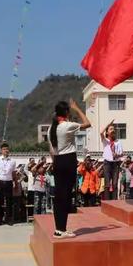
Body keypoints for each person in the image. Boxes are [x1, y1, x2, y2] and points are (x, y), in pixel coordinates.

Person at [49, 99, 91, 238]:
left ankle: (59, 229)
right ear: (66, 112)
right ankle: (61, 229)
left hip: (57, 161)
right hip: (68, 160)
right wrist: (77, 108)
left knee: (59, 197)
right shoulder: (67, 125)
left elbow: (51, 150)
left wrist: (56, 163)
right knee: (66, 196)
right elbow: (88, 123)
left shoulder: (51, 128)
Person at [0, 142, 16, 226]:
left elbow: (13, 173)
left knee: (9, 201)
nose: (6, 151)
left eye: (7, 149)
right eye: (4, 149)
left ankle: (9, 219)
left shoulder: (12, 161)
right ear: (1, 151)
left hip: (8, 181)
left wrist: (14, 182)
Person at [100, 120, 123, 200]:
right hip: (107, 163)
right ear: (107, 133)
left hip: (115, 164)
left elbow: (122, 154)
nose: (113, 130)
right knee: (107, 184)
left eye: (113, 129)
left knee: (115, 184)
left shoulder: (118, 142)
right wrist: (108, 124)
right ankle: (107, 202)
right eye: (111, 129)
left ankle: (114, 201)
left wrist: (117, 155)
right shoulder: (105, 141)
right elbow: (101, 132)